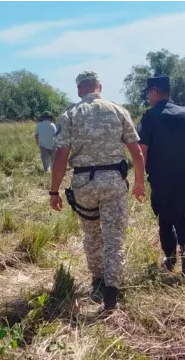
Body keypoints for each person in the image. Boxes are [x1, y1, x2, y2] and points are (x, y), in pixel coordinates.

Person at [50, 71, 146, 310]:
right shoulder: (118, 111)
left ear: (79, 90)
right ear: (99, 87)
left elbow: (60, 157)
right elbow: (136, 152)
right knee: (114, 238)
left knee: (92, 235)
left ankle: (98, 278)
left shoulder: (69, 114)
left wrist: (54, 191)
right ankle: (111, 291)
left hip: (84, 185)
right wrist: (139, 182)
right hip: (113, 182)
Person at [137, 75, 185, 277]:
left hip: (159, 178)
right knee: (184, 215)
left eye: (148, 93)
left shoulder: (150, 117)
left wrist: (139, 180)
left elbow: (142, 150)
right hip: (184, 177)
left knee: (165, 218)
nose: (148, 97)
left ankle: (170, 257)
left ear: (155, 92)